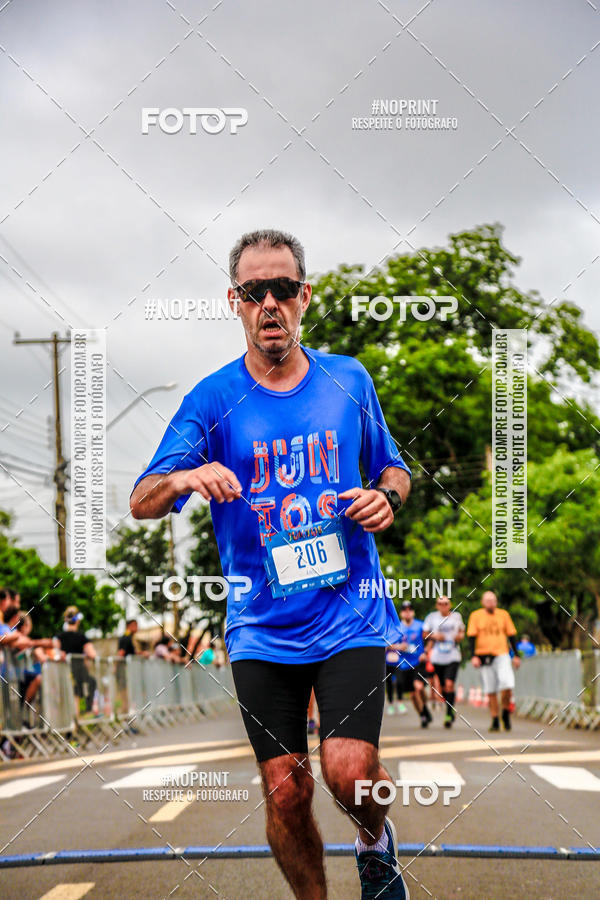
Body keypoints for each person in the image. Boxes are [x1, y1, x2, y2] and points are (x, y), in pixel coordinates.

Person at [130, 228, 413, 899]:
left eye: (282, 289)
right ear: (235, 301)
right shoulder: (210, 400)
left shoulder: (348, 379)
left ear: (304, 297)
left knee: (348, 770)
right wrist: (188, 475)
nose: (270, 304)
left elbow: (395, 468)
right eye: (254, 291)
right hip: (261, 626)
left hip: (350, 614)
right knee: (287, 790)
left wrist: (385, 498)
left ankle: (375, 843)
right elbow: (143, 499)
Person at [467, 590, 521, 732]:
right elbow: (471, 637)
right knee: (490, 690)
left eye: (493, 600)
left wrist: (516, 655)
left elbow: (511, 635)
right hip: (484, 656)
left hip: (502, 654)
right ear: (483, 602)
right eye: (488, 600)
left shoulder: (503, 615)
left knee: (507, 684)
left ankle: (505, 712)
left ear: (496, 602)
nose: (491, 603)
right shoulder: (476, 616)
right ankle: (495, 719)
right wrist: (473, 656)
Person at [423, 596, 465, 728]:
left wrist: (458, 637)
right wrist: (436, 636)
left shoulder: (456, 617)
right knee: (442, 687)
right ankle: (450, 706)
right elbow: (424, 634)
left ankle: (449, 713)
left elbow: (462, 632)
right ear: (437, 605)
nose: (443, 606)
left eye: (446, 603)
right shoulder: (432, 617)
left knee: (449, 684)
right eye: (440, 604)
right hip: (438, 657)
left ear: (450, 604)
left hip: (453, 656)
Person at [393, 601, 432, 728]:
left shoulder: (420, 625)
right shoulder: (397, 627)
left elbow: (429, 639)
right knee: (413, 695)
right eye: (404, 610)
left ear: (413, 612)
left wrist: (425, 652)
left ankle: (425, 707)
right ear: (401, 613)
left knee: (419, 687)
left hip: (418, 662)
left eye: (410, 609)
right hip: (404, 664)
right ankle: (422, 714)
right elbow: (388, 645)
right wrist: (399, 646)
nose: (407, 612)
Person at [53, 606, 97, 714]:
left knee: (66, 698)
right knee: (76, 696)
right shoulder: (82, 638)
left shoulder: (59, 637)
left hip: (62, 672)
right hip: (77, 671)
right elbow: (92, 654)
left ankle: (69, 725)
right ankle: (78, 720)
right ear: (77, 621)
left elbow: (55, 653)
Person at [384, 644, 407, 716]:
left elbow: (405, 646)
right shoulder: (386, 635)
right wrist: (397, 646)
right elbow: (384, 646)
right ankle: (390, 705)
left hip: (398, 662)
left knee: (400, 681)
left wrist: (392, 646)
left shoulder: (400, 634)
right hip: (388, 663)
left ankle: (400, 702)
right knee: (389, 683)